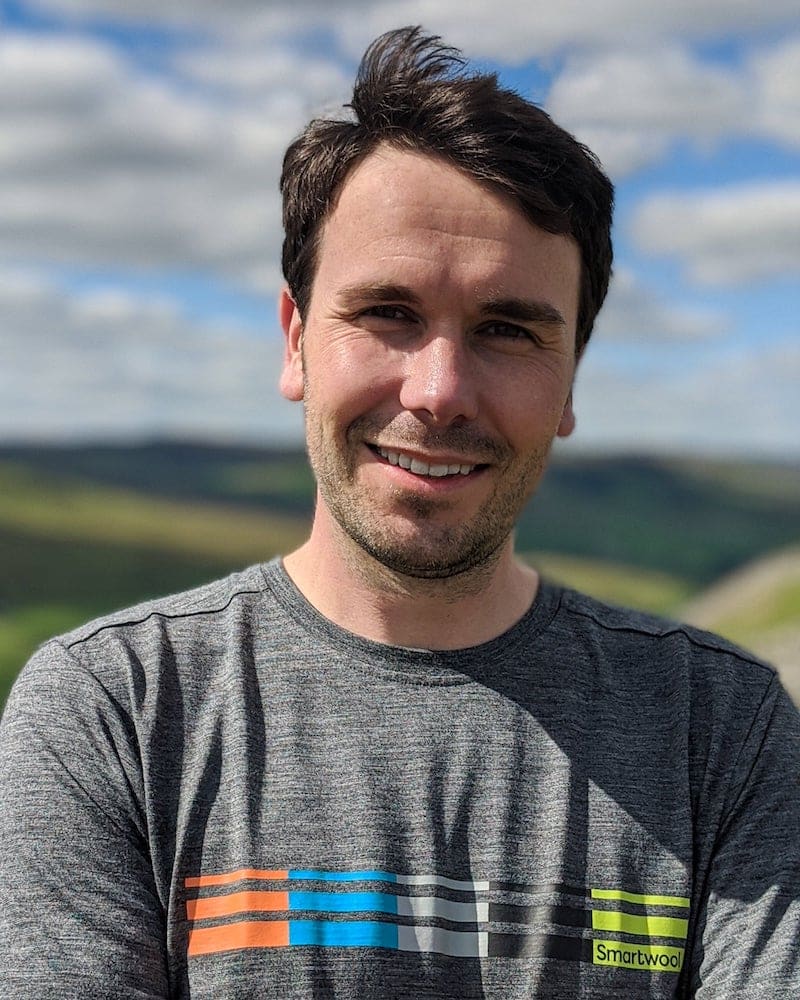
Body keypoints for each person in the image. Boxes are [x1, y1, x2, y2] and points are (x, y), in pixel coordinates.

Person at [0, 25, 798, 1000]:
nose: (438, 391)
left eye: (507, 329)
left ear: (571, 380)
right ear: (295, 340)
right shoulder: (115, 709)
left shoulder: (718, 726)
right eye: (388, 313)